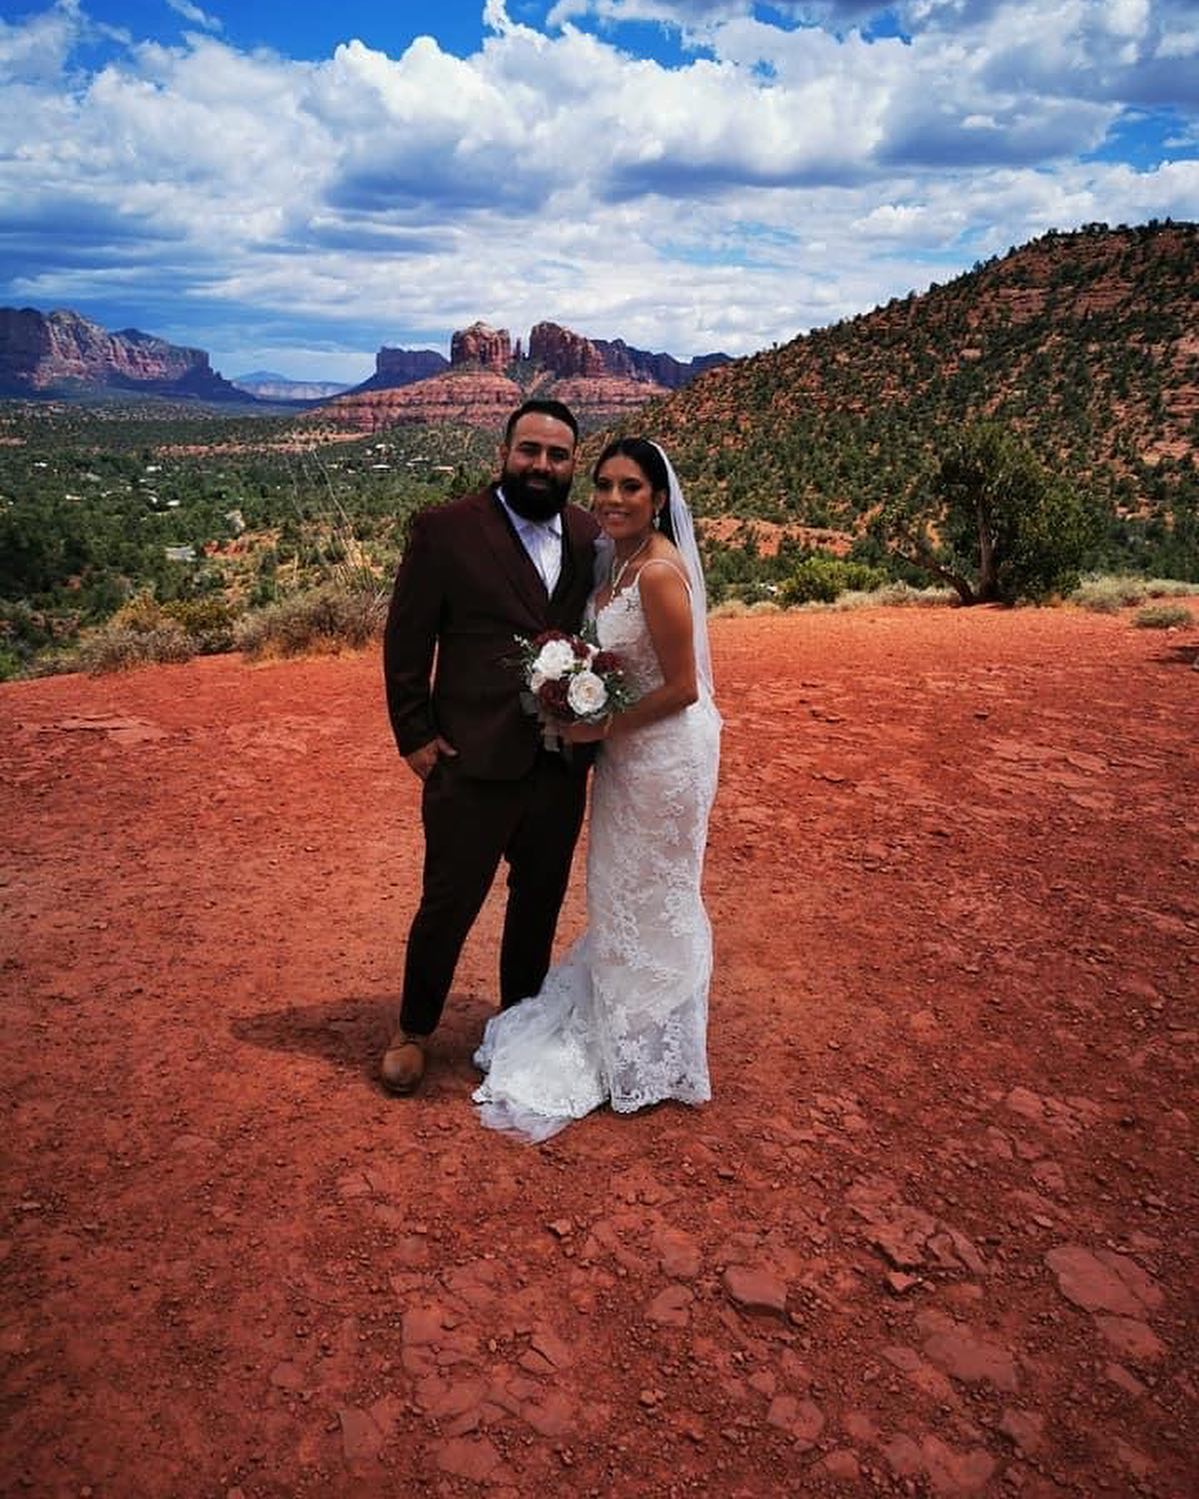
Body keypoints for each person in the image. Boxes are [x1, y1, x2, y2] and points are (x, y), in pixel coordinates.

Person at [473, 437, 721, 1141]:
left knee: (658, 886)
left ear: (659, 499)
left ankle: (654, 1047)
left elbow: (679, 688)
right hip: (625, 750)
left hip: (665, 754)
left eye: (630, 488)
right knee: (617, 885)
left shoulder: (660, 575)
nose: (612, 499)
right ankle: (627, 1020)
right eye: (604, 485)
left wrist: (600, 725)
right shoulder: (616, 563)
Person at [380, 398, 600, 1096]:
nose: (541, 465)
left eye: (556, 455)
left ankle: (519, 1028)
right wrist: (414, 735)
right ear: (503, 453)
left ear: (573, 465)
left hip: (558, 763)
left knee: (537, 902)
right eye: (528, 450)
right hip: (468, 758)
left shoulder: (589, 535)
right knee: (448, 899)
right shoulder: (445, 530)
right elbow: (407, 637)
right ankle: (414, 1029)